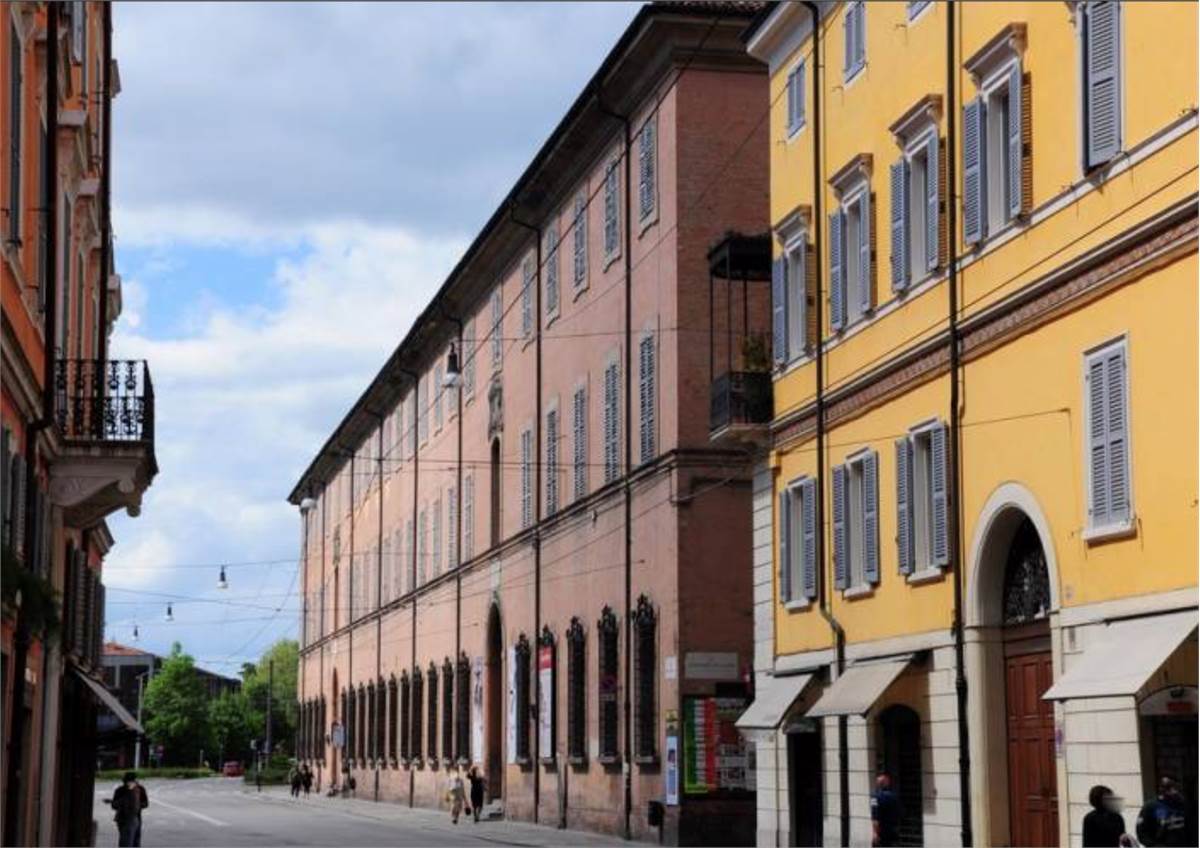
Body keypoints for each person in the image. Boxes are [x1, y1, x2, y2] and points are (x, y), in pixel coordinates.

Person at [1137, 776, 1195, 846]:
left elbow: (1192, 828)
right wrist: (1153, 845)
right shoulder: (1150, 807)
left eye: (1176, 788)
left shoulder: (1183, 805)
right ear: (1161, 789)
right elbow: (1141, 831)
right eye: (1169, 788)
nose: (1174, 791)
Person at [108, 771, 149, 848]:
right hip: (123, 819)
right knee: (127, 841)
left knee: (134, 842)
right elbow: (114, 805)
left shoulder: (140, 789)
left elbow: (146, 803)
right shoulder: (120, 790)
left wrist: (136, 805)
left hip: (135, 818)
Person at [870, 773, 902, 848]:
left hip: (882, 831)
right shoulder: (894, 796)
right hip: (893, 830)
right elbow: (900, 812)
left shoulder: (875, 797)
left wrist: (875, 833)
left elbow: (875, 816)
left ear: (878, 784)